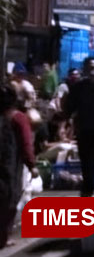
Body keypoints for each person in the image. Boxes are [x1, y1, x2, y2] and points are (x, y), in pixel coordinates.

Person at [63, 57, 94, 197]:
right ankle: (88, 185)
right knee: (85, 158)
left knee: (93, 157)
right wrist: (66, 121)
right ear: (84, 69)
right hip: (83, 127)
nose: (91, 70)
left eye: (93, 67)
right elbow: (70, 106)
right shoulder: (78, 87)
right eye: (88, 67)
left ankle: (89, 187)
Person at [1, 85, 38, 248]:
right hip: (9, 165)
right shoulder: (18, 118)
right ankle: (2, 237)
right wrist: (32, 165)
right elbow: (26, 143)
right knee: (9, 200)